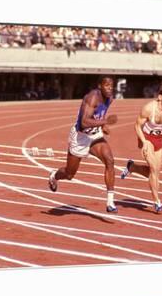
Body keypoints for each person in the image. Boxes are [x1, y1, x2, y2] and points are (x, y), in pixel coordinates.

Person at [48, 76, 119, 212]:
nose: (110, 88)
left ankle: (110, 202)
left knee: (110, 160)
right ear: (100, 86)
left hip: (94, 136)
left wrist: (102, 125)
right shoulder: (92, 98)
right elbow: (84, 123)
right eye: (107, 85)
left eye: (112, 85)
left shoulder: (110, 98)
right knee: (69, 174)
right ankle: (54, 176)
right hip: (80, 137)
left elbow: (100, 114)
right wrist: (105, 122)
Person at [120, 83, 162, 213]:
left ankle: (132, 167)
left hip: (158, 142)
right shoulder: (148, 109)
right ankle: (157, 201)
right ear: (160, 97)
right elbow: (136, 125)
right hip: (146, 139)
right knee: (153, 169)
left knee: (155, 173)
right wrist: (144, 141)